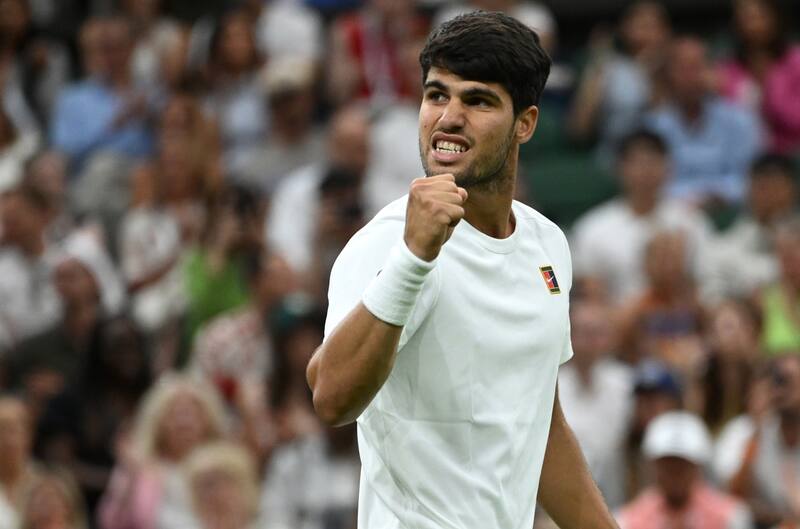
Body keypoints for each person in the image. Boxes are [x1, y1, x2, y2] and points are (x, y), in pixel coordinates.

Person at [307, 12, 617, 529]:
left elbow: (540, 423)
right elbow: (331, 397)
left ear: (526, 123)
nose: (448, 117)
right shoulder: (386, 242)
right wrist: (414, 257)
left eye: (477, 100)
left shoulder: (547, 245)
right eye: (436, 95)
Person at [570, 129, 712, 304]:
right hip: (616, 324)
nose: (646, 171)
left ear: (669, 167)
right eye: (637, 163)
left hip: (681, 320)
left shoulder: (691, 221)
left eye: (653, 162)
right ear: (619, 168)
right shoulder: (592, 228)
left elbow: (706, 287)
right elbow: (591, 299)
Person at [644, 36, 762, 205]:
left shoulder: (739, 120)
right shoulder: (653, 126)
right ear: (668, 75)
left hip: (732, 212)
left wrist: (716, 195)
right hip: (671, 214)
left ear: (713, 72)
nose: (691, 77)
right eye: (683, 69)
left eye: (697, 68)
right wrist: (688, 199)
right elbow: (650, 183)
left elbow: (752, 177)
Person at [617, 411, 753, 529]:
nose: (674, 473)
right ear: (654, 467)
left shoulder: (731, 517)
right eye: (668, 465)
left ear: (697, 466)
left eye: (682, 465)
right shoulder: (627, 521)